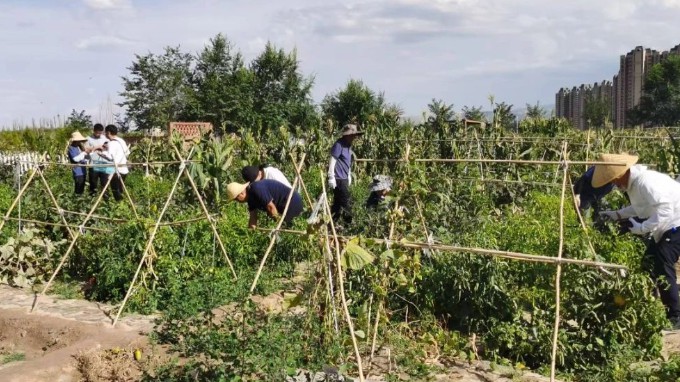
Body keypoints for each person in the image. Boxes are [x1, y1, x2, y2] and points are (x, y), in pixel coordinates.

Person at [594, 153, 680, 329]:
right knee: (648, 263)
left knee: (662, 264)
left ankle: (675, 317)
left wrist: (642, 228)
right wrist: (617, 214)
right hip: (667, 224)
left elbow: (665, 209)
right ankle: (650, 304)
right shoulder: (636, 184)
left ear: (621, 174)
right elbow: (642, 207)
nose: (615, 185)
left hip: (676, 223)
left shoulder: (645, 182)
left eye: (614, 181)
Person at [226, 179, 303, 229]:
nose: (237, 201)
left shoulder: (256, 189)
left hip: (292, 203)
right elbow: (253, 217)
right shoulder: (250, 198)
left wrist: (279, 226)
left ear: (241, 193)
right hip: (283, 208)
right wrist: (249, 234)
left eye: (236, 199)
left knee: (289, 229)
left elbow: (271, 207)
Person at [328, 124, 364, 228]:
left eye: (355, 135)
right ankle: (348, 225)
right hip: (338, 178)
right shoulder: (339, 144)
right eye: (352, 135)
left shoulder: (348, 146)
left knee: (337, 204)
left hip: (343, 177)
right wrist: (331, 176)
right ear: (347, 135)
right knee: (346, 202)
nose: (354, 137)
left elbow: (346, 162)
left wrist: (348, 175)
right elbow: (333, 160)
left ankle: (332, 225)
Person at [104, 124, 130, 201]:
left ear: (108, 133)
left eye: (106, 133)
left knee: (115, 190)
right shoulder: (121, 140)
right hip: (124, 169)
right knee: (120, 189)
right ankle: (122, 204)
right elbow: (127, 153)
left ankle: (119, 205)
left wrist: (102, 153)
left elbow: (109, 157)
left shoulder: (111, 143)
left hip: (116, 170)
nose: (105, 134)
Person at [85, 123, 108, 196]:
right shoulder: (88, 139)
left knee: (104, 183)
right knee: (93, 182)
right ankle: (92, 198)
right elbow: (86, 150)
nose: (98, 134)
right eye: (97, 133)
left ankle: (105, 199)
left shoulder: (104, 138)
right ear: (94, 130)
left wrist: (105, 147)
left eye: (100, 133)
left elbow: (109, 148)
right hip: (93, 164)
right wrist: (96, 147)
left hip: (103, 163)